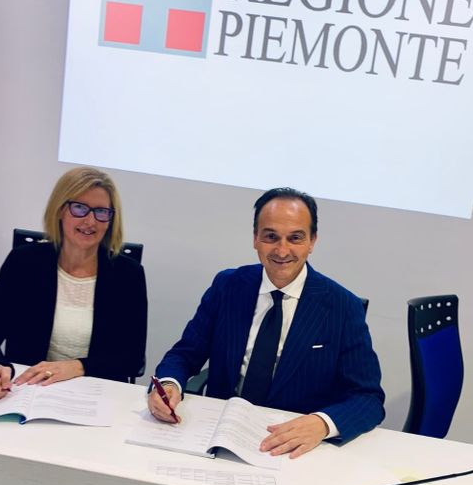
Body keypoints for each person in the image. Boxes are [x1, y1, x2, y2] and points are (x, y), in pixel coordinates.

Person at [148, 187, 384, 458]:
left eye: (295, 238)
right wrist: (169, 384)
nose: (282, 250)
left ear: (312, 241)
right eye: (271, 237)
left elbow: (368, 398)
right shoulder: (228, 286)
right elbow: (184, 354)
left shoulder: (343, 307)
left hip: (292, 448)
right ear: (255, 239)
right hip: (218, 436)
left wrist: (321, 424)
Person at [0, 166, 147, 398]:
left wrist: (77, 367)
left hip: (95, 397)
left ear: (111, 219)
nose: (90, 221)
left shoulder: (128, 274)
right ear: (60, 210)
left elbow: (132, 358)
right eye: (79, 208)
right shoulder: (24, 263)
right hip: (27, 393)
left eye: (101, 212)